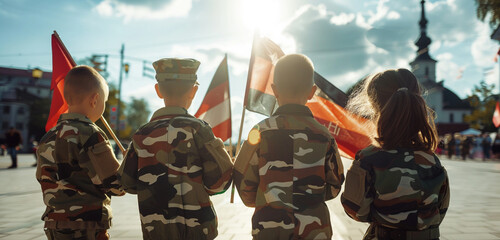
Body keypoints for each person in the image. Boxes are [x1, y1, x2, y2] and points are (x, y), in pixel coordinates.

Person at [118, 58, 233, 240]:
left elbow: (127, 183)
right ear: (193, 91)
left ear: (158, 90)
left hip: (156, 231)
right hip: (198, 231)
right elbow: (221, 182)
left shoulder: (142, 134)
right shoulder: (198, 130)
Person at [233, 54, 344, 239]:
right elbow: (335, 185)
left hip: (269, 231)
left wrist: (264, 200)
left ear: (274, 90)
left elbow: (244, 184)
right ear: (312, 92)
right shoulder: (324, 135)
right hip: (314, 232)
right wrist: (310, 198)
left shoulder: (260, 132)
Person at [341, 68, 450, 240]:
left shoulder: (369, 158)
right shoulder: (432, 160)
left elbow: (355, 210)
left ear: (374, 106)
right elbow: (440, 210)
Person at [36, 66, 124, 240]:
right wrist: (129, 163)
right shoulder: (90, 134)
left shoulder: (48, 137)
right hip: (87, 227)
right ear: (95, 99)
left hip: (55, 225)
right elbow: (116, 185)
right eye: (104, 101)